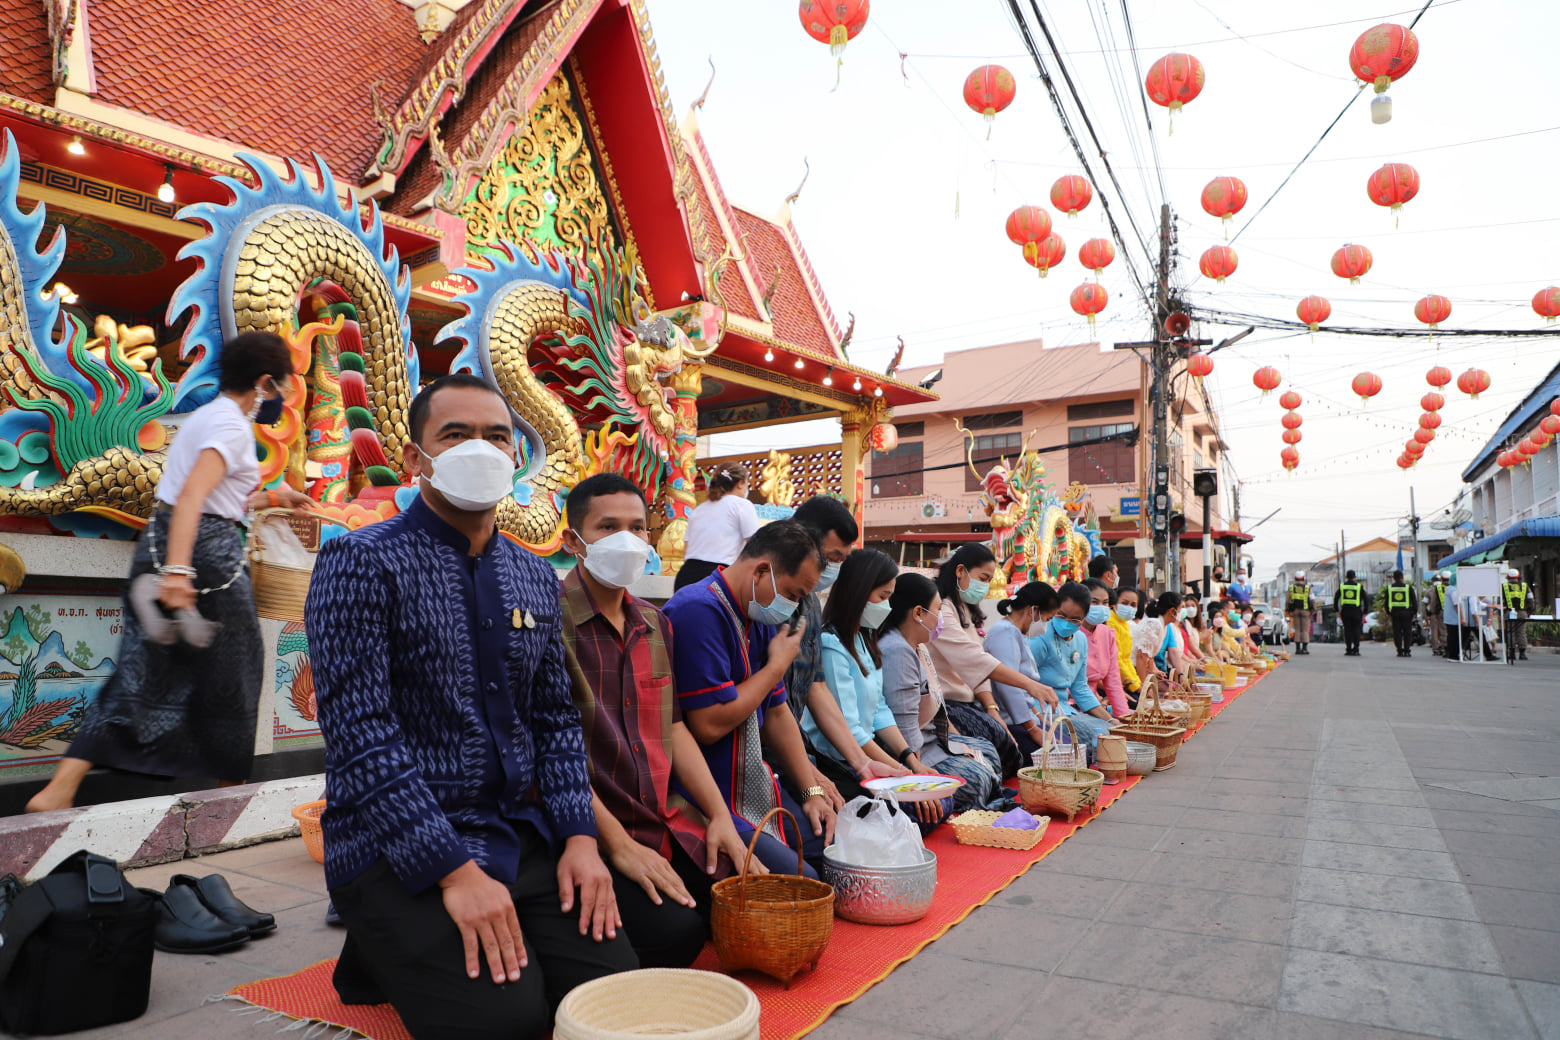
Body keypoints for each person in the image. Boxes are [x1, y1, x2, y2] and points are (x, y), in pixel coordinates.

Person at [307, 374, 634, 1039]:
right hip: (394, 842)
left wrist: (578, 836)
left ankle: (388, 950)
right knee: (509, 1023)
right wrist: (453, 872)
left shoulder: (533, 575)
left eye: (496, 436)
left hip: (514, 828)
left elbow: (554, 720)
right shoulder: (359, 562)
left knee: (612, 997)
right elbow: (359, 735)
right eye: (455, 435)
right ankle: (381, 935)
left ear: (516, 456)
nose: (479, 450)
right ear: (413, 459)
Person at [26, 332, 311, 814]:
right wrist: (179, 574)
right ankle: (228, 801)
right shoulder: (232, 427)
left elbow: (212, 497)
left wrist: (273, 499)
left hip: (167, 547)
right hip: (203, 559)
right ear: (264, 382)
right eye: (282, 387)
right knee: (236, 676)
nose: (281, 399)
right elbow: (195, 499)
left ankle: (59, 790)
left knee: (143, 674)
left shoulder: (210, 417)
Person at [557, 473, 756, 970]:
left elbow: (674, 729)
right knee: (679, 934)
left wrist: (718, 817)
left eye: (636, 528)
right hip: (595, 826)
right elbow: (550, 758)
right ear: (572, 541)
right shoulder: (549, 622)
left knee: (750, 898)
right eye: (607, 527)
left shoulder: (654, 622)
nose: (626, 540)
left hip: (666, 817)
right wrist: (618, 846)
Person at [663, 520, 836, 877]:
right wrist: (775, 667)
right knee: (806, 880)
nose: (795, 605)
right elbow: (709, 725)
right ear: (761, 571)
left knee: (832, 848)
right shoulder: (699, 611)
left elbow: (776, 713)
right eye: (795, 593)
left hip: (754, 781)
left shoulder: (757, 613)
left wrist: (812, 791)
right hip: (707, 796)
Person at [805, 551, 948, 832]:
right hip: (839, 759)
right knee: (911, 813)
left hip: (868, 754)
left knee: (938, 801)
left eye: (889, 598)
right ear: (858, 592)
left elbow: (881, 710)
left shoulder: (864, 639)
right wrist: (906, 775)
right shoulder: (832, 644)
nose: (887, 607)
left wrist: (908, 759)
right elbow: (852, 730)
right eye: (882, 597)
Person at [781, 496, 897, 802]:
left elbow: (817, 689)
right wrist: (812, 784)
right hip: (777, 753)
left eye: (842, 560)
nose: (834, 568)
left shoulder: (811, 606)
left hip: (803, 752)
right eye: (833, 557)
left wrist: (864, 764)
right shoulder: (769, 608)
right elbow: (771, 708)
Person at [926, 544, 1055, 778]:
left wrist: (992, 709)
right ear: (960, 571)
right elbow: (975, 660)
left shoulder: (963, 609)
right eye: (983, 578)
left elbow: (978, 668)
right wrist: (1030, 687)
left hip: (971, 703)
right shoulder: (942, 612)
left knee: (1015, 748)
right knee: (1004, 756)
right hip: (948, 705)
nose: (985, 587)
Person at [878, 573, 1003, 813]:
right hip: (913, 752)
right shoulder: (896, 650)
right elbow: (905, 724)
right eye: (937, 610)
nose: (941, 620)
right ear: (918, 613)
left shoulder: (919, 645)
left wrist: (959, 744)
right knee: (977, 779)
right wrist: (916, 772)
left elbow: (938, 709)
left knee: (988, 753)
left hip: (933, 741)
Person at [1028, 581, 1117, 757]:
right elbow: (1022, 680)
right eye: (1061, 615)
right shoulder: (1041, 637)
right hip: (1040, 712)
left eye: (1075, 619)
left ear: (1084, 619)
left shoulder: (1081, 639)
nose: (1067, 623)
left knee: (1114, 733)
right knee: (1099, 740)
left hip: (1066, 710)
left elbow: (1080, 687)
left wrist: (1111, 720)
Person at [983, 582, 1059, 760]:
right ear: (1033, 611)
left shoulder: (1015, 631)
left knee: (1070, 746)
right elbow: (1009, 687)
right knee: (1056, 757)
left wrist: (1039, 718)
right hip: (1012, 721)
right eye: (1046, 619)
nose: (1045, 626)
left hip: (1023, 718)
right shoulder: (1004, 632)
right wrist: (1032, 729)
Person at [673, 462, 758, 591]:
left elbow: (686, 547)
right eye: (747, 484)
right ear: (740, 483)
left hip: (686, 576)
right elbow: (756, 544)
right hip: (717, 576)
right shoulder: (742, 505)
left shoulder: (699, 509)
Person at [1081, 579, 1129, 718]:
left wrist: (1124, 719)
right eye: (1094, 602)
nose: (1101, 607)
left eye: (1105, 603)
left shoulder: (1107, 633)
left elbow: (1113, 681)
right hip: (1073, 704)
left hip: (1097, 704)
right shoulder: (1071, 632)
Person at [1106, 585, 1144, 706]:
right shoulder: (1110, 622)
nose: (1129, 607)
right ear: (1114, 604)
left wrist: (1138, 683)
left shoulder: (1124, 623)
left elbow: (1126, 658)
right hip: (1112, 680)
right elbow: (1117, 658)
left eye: (1133, 605)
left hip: (1125, 679)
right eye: (1124, 603)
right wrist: (1135, 685)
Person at [1153, 591, 1191, 679]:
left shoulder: (1168, 627)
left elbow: (1173, 651)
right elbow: (1146, 657)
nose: (1181, 612)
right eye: (1180, 609)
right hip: (1152, 673)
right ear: (1171, 611)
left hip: (1163, 672)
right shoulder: (1154, 625)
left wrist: (1181, 674)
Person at [1335, 570, 1367, 657]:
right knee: (1356, 630)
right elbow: (1365, 599)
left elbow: (1336, 598)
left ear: (1346, 577)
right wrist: (1366, 611)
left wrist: (1337, 610)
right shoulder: (1359, 586)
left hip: (1345, 611)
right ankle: (1356, 649)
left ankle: (1348, 649)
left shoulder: (1342, 586)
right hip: (1356, 611)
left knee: (1347, 630)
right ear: (1355, 577)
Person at [1502, 567, 1532, 661]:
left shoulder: (1504, 586)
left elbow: (1500, 600)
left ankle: (1511, 653)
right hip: (1522, 612)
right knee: (1521, 632)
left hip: (1509, 612)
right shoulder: (1525, 586)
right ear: (1518, 576)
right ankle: (1522, 654)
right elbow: (1530, 599)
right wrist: (1529, 611)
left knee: (1510, 632)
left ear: (1508, 577)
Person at [1385, 569, 1415, 658]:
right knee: (1407, 632)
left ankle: (1399, 651)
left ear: (1393, 578)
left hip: (1394, 613)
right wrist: (1414, 612)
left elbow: (1386, 602)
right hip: (1406, 613)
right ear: (1402, 577)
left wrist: (1388, 613)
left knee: (1397, 632)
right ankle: (1407, 650)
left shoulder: (1389, 588)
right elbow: (1414, 601)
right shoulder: (1408, 587)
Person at [1286, 571, 1314, 655]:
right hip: (1305, 611)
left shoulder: (1291, 588)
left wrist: (1288, 610)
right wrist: (1313, 610)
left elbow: (1288, 600)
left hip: (1295, 611)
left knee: (1297, 629)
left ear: (1295, 578)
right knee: (1305, 630)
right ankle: (1305, 648)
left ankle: (1298, 649)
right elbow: (1312, 599)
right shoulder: (1308, 588)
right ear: (1303, 578)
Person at [1426, 571, 1447, 657]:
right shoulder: (1446, 588)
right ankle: (1443, 647)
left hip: (1433, 613)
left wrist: (1426, 615)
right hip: (1444, 612)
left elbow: (1425, 604)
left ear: (1432, 581)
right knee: (1443, 630)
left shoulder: (1429, 591)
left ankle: (1436, 649)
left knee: (1434, 631)